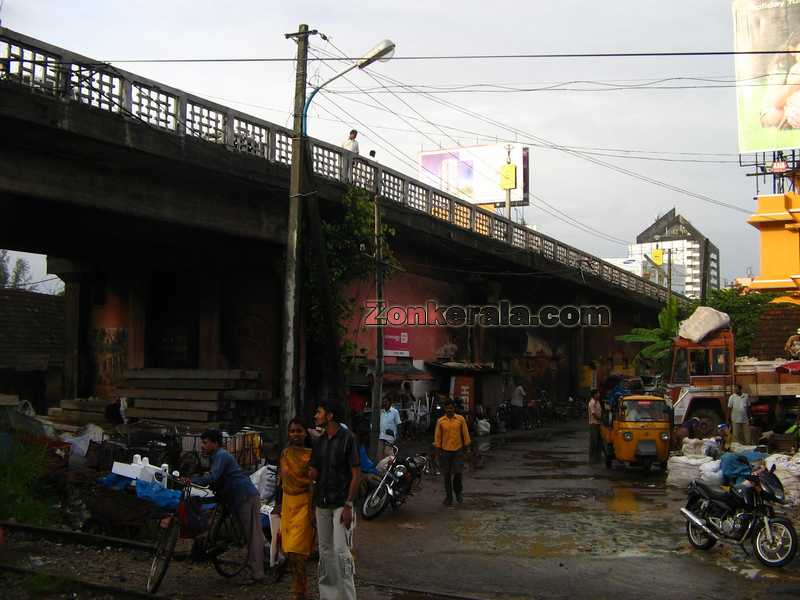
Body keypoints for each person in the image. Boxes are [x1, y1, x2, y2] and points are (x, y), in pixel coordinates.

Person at [191, 429, 265, 583]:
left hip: (245, 496)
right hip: (236, 498)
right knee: (251, 533)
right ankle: (277, 557)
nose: (202, 446)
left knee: (252, 535)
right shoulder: (215, 456)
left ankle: (258, 574)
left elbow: (213, 476)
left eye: (205, 443)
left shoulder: (221, 455)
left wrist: (194, 479)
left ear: (215, 443)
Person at [310, 399, 360, 600]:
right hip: (322, 503)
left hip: (341, 503)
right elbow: (314, 472)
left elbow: (356, 474)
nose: (315, 416)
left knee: (341, 552)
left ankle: (347, 597)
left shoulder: (348, 438)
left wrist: (349, 504)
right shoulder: (320, 441)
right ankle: (328, 596)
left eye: (319, 412)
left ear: (330, 415)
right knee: (325, 552)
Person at [274, 419, 314, 600]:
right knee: (289, 549)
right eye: (292, 431)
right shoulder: (285, 453)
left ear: (306, 433)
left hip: (304, 504)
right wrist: (278, 504)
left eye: (299, 431)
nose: (295, 434)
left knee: (299, 551)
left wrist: (313, 510)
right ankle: (298, 589)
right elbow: (280, 480)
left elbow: (315, 484)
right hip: (288, 504)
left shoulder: (312, 455)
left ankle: (300, 592)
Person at [434, 398, 471, 506]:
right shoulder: (440, 421)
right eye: (447, 408)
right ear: (445, 409)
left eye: (451, 408)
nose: (449, 410)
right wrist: (437, 454)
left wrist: (468, 449)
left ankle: (458, 492)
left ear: (454, 408)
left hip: (458, 450)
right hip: (445, 451)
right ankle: (449, 497)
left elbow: (465, 434)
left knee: (458, 473)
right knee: (447, 476)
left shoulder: (460, 419)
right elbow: (437, 438)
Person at [587, 389, 602, 463]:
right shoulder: (592, 403)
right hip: (594, 424)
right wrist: (600, 419)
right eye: (598, 393)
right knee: (594, 442)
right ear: (594, 395)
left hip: (598, 424)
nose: (599, 395)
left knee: (599, 441)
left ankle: (597, 458)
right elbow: (593, 413)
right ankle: (592, 459)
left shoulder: (598, 402)